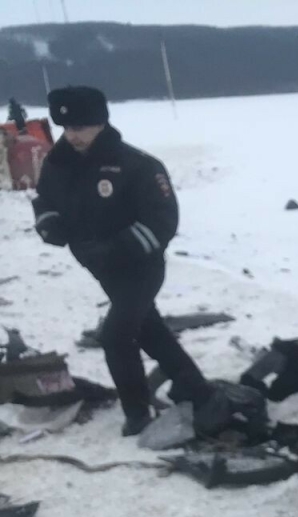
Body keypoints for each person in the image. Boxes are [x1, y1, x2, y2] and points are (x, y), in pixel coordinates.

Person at [31, 85, 212, 436]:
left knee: (116, 335)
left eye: (82, 127)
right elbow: (44, 200)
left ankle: (137, 413)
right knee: (148, 329)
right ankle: (196, 388)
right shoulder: (58, 163)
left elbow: (163, 221)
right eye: (67, 128)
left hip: (140, 266)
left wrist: (116, 248)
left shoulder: (137, 165)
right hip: (97, 266)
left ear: (101, 123)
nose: (74, 135)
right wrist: (48, 223)